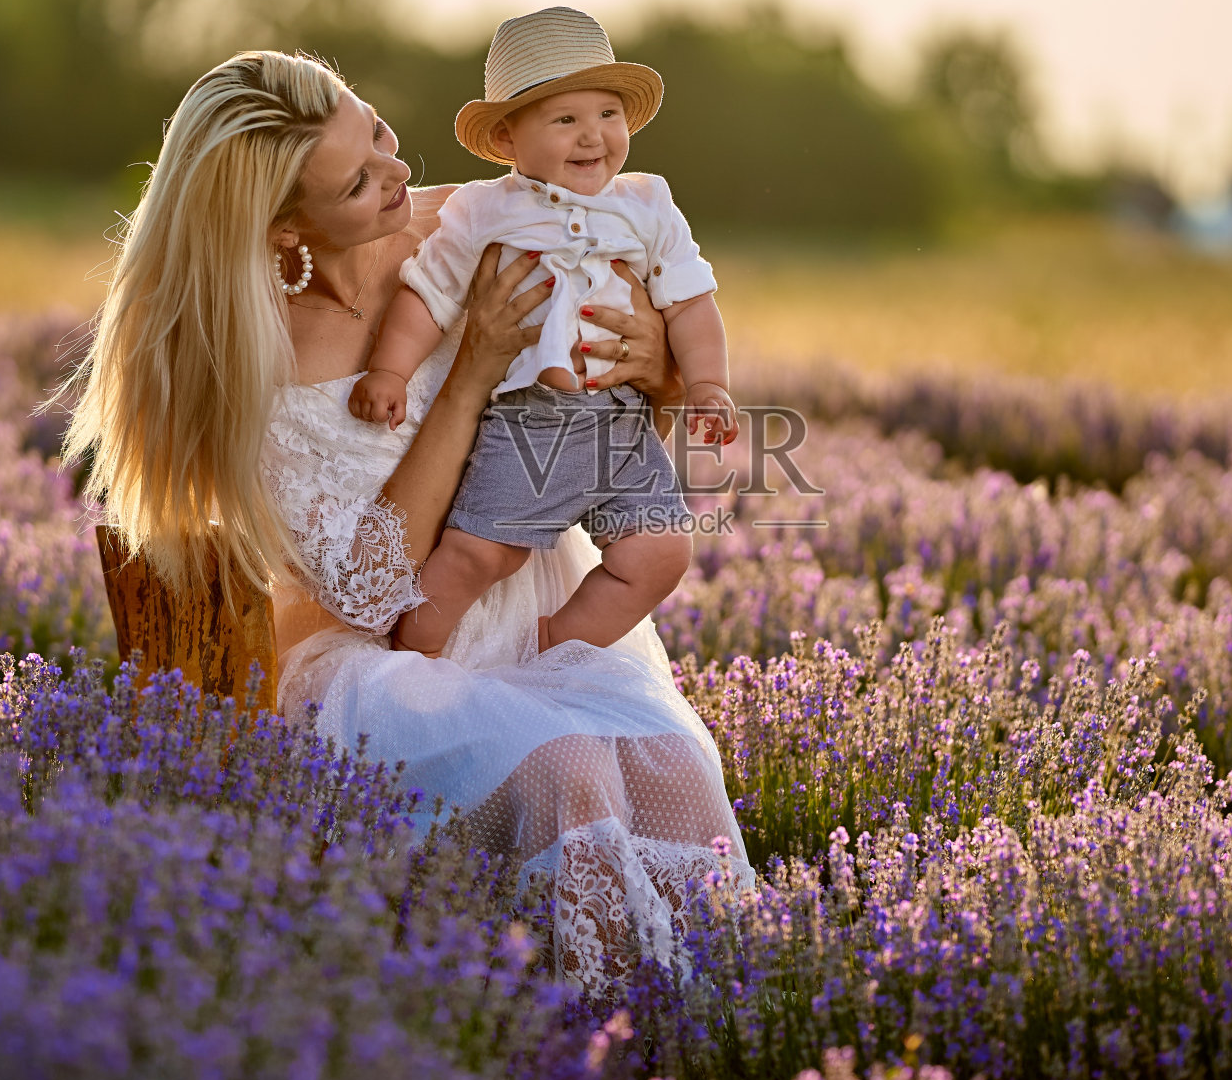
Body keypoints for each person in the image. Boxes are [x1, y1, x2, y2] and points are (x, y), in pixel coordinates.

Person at [62, 48, 753, 991]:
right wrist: (467, 375)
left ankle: (705, 1045)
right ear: (280, 230)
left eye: (380, 133)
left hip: (533, 614)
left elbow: (632, 376)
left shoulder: (474, 221)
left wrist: (655, 366)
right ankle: (548, 1044)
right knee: (565, 770)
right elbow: (368, 591)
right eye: (358, 179)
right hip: (387, 659)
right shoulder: (247, 355)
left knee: (672, 765)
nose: (399, 172)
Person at [347, 7, 737, 659]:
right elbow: (427, 295)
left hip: (624, 426)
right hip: (531, 424)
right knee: (477, 554)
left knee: (662, 552)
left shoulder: (647, 204)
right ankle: (416, 658)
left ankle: (552, 644)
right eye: (566, 120)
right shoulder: (483, 210)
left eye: (608, 114)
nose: (593, 137)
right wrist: (389, 371)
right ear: (506, 138)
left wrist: (707, 383)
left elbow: (693, 302)